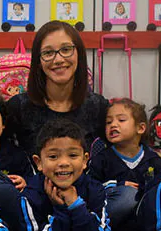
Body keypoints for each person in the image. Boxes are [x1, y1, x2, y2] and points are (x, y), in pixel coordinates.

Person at [7, 20, 108, 159]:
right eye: (48, 52)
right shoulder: (17, 107)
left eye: (66, 49)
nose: (58, 59)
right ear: (38, 61)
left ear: (79, 54)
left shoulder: (98, 107)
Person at [89, 98, 161, 231]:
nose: (113, 125)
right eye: (108, 122)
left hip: (141, 223)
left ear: (140, 128)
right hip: (112, 219)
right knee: (127, 195)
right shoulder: (102, 159)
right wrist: (116, 185)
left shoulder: (153, 159)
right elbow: (91, 187)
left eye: (121, 120)